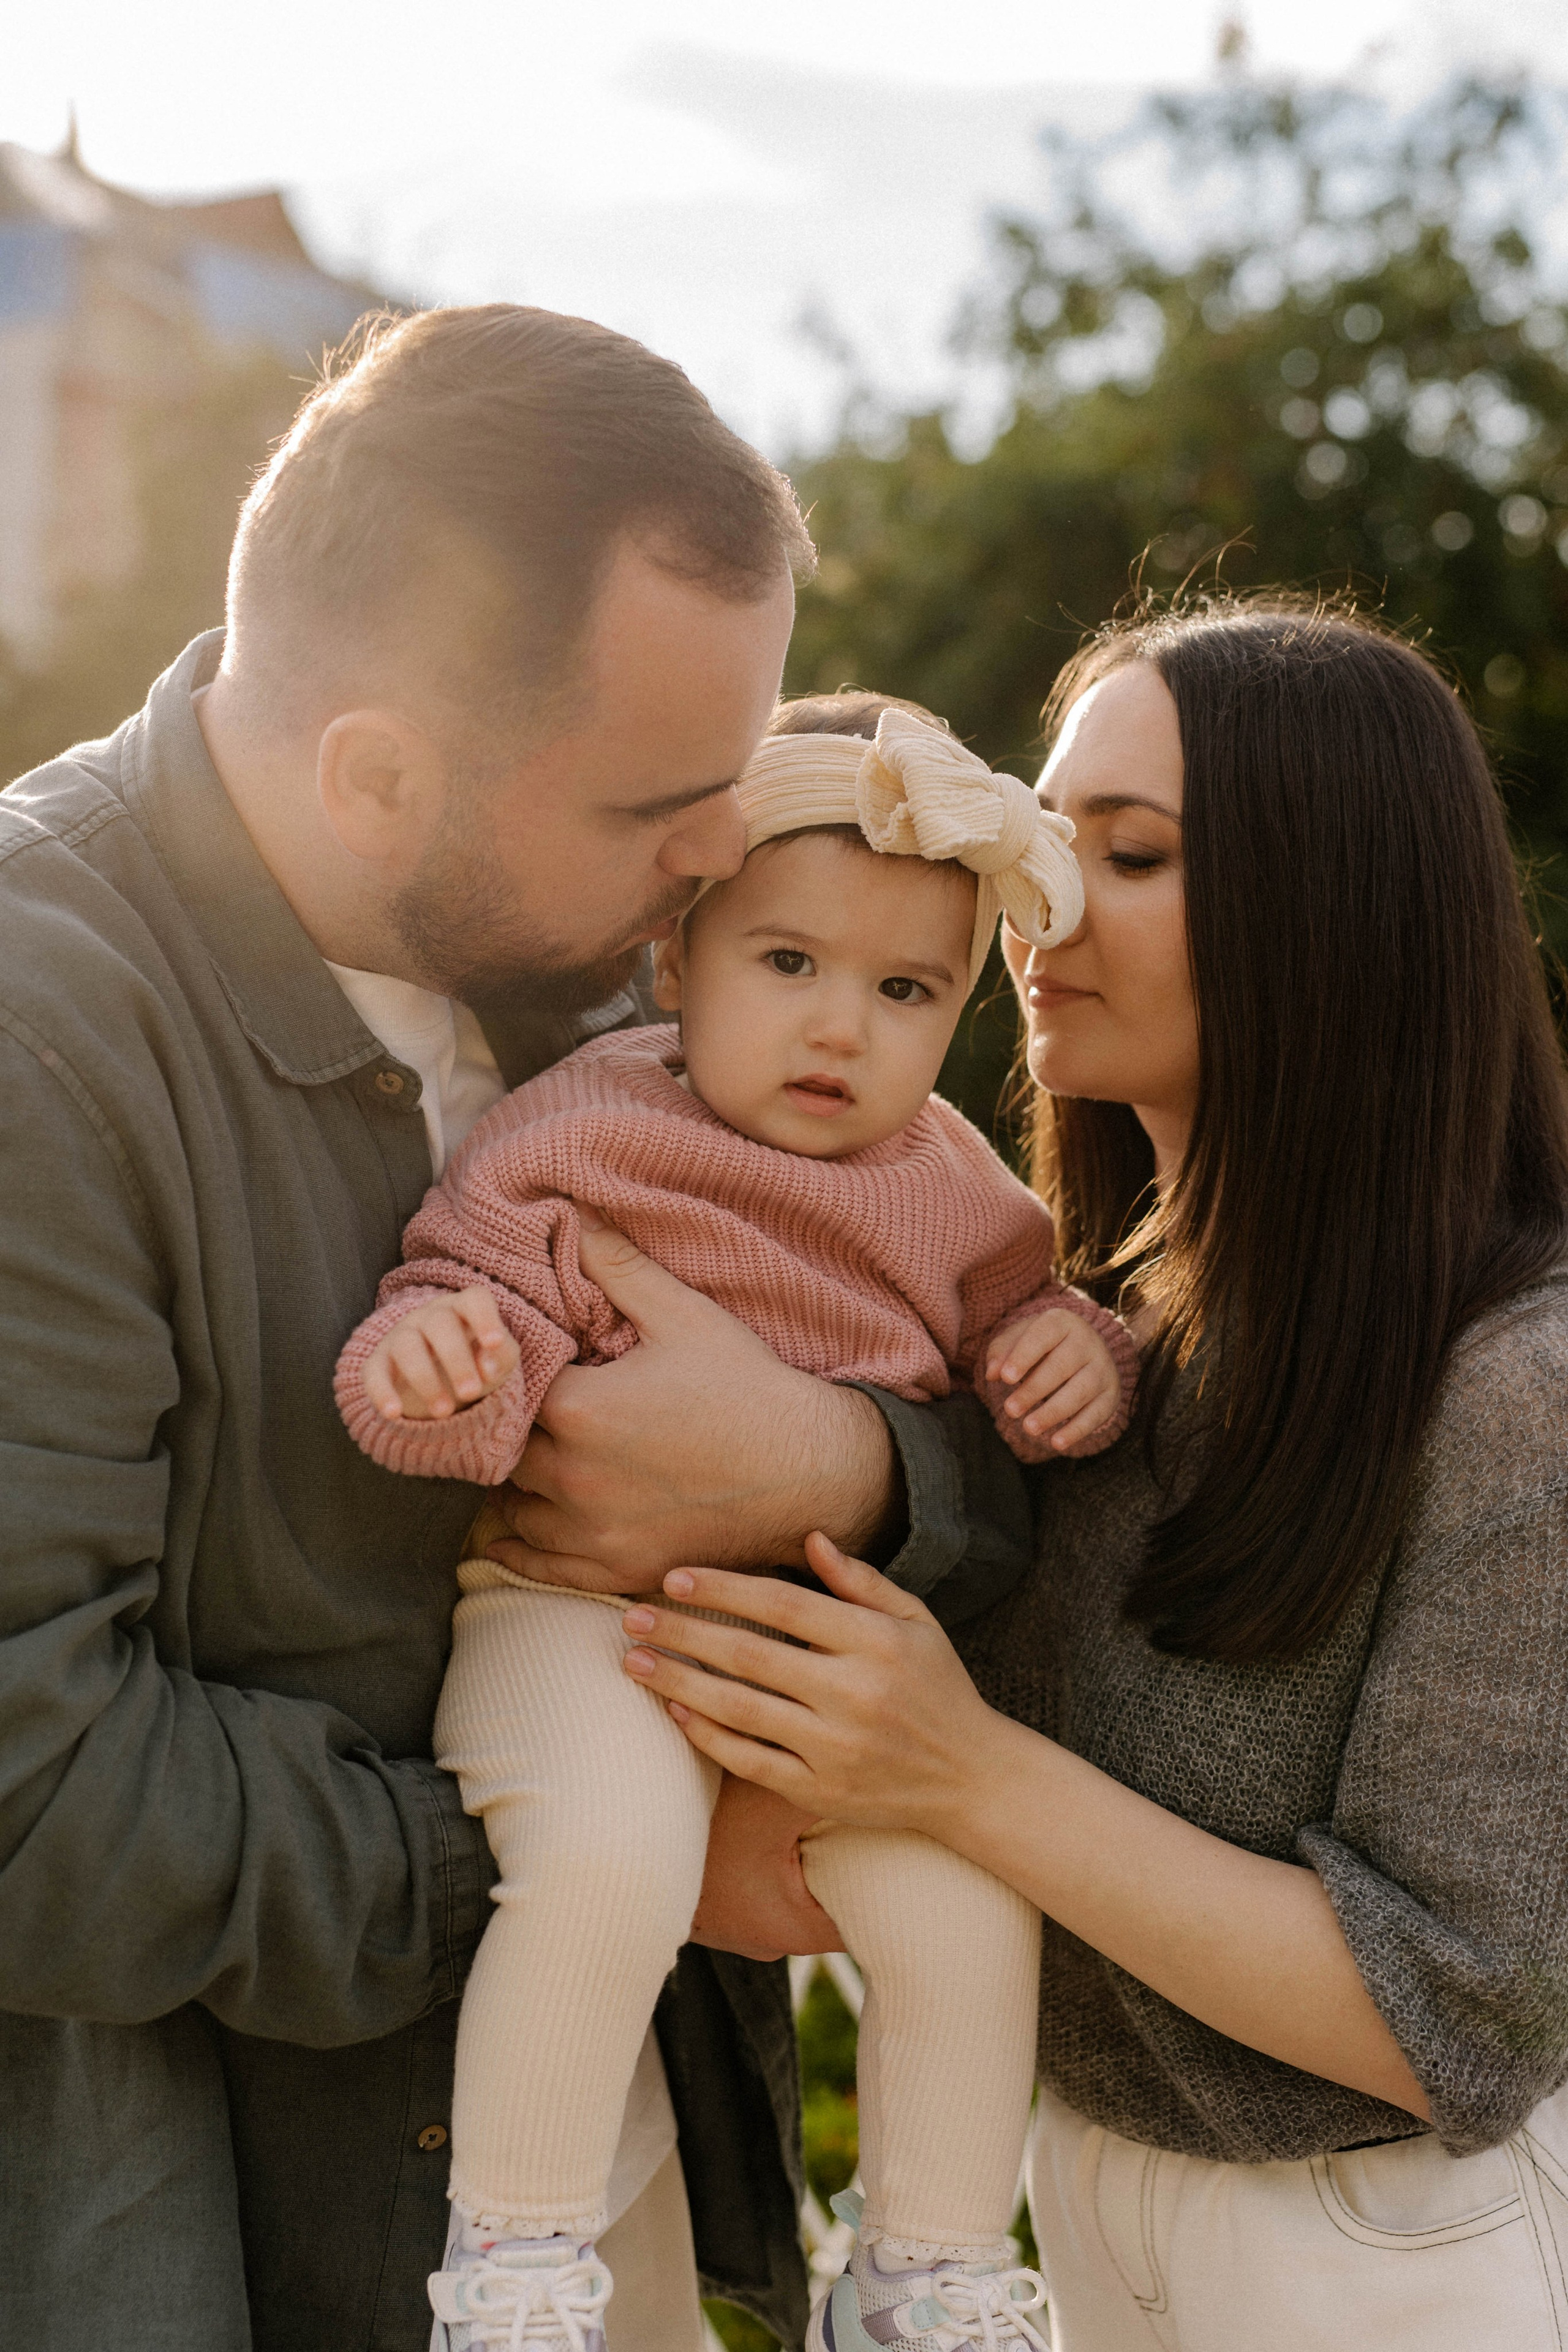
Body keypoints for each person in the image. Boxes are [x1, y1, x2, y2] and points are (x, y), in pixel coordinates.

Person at [0, 303, 1033, 2352]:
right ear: (383, 777)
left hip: (607, 2178)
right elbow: (36, 1786)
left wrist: (841, 1466)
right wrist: (594, 1867)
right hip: (228, 2236)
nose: (724, 855)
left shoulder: (608, 981)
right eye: (663, 803)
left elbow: (968, 1371)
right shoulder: (43, 1031)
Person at [614, 598, 1568, 2351]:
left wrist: (961, 1772)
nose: (1041, 911)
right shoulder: (1081, 1327)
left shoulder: (1519, 1386)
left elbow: (1466, 2011)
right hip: (1073, 2202)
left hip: (1387, 2255)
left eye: (1128, 856)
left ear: (1332, 909)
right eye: (1041, 850)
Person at [335, 690, 1138, 2351]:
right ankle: (519, 2272)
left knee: (970, 1906)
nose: (839, 1028)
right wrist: (431, 1364)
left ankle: (927, 2276)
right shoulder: (584, 1127)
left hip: (814, 1657)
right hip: (576, 1622)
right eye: (788, 965)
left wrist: (1078, 1353)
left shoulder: (960, 1189)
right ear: (677, 957)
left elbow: (1020, 1336)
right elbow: (459, 1308)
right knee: (607, 1863)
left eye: (904, 991)